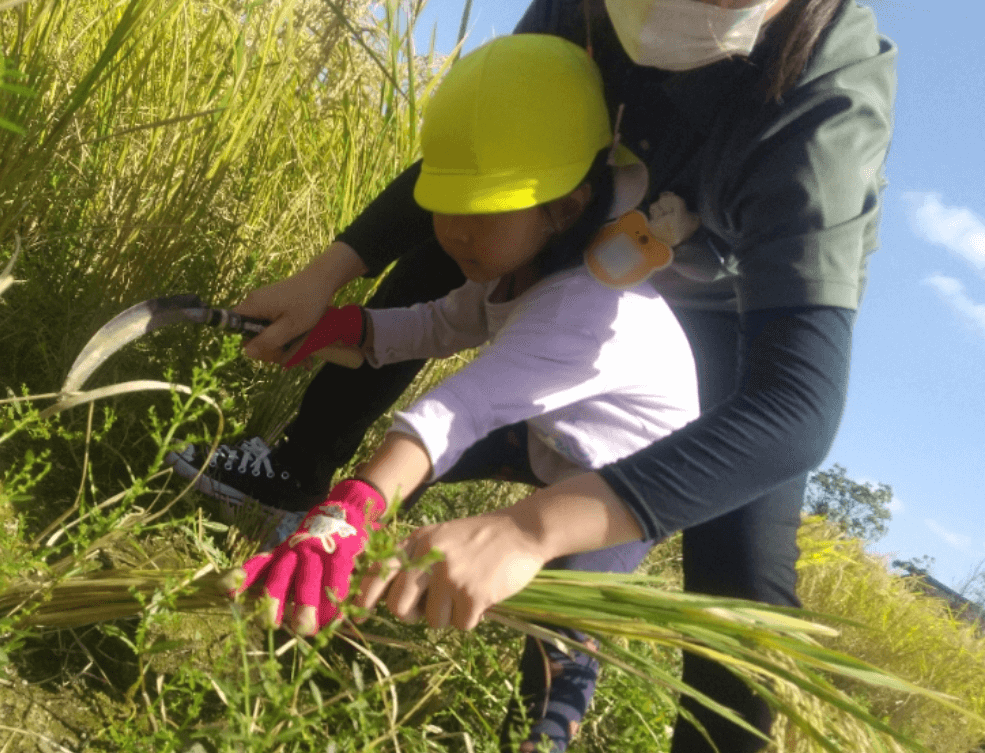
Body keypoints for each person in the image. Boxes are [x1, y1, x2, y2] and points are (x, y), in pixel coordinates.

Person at [175, 0, 897, 751]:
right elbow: (479, 162)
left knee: (733, 594)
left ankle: (553, 723)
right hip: (574, 243)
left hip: (726, 311)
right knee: (471, 230)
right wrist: (331, 290)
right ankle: (301, 486)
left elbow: (795, 407)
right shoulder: (576, 31)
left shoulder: (826, 98)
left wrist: (527, 530)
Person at [170, 33, 701, 751]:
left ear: (567, 207)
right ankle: (344, 591)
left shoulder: (583, 310)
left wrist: (352, 504)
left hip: (626, 472)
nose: (453, 230)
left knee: (562, 626)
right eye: (445, 203)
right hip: (546, 430)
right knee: (405, 497)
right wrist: (337, 325)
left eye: (483, 209)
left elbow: (460, 405)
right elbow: (433, 325)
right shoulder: (509, 270)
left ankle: (544, 733)